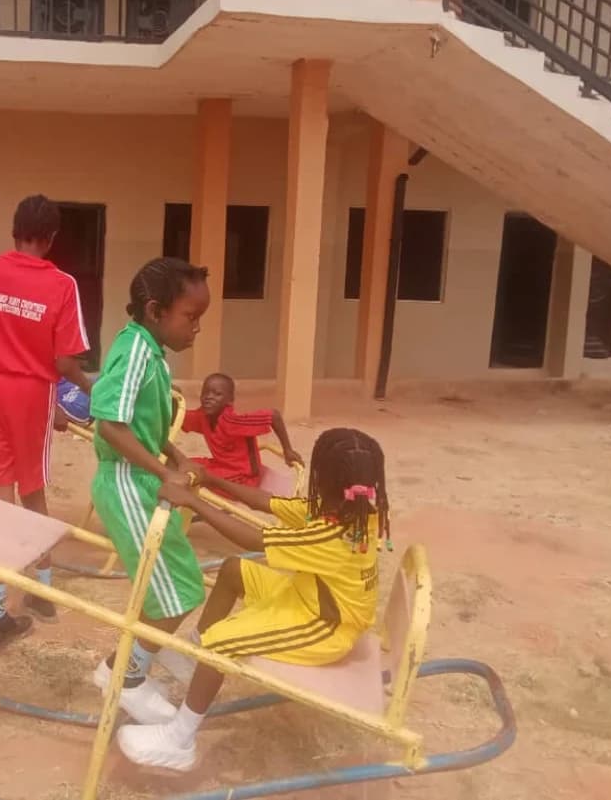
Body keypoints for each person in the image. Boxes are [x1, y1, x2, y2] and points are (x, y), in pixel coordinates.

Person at [117, 427, 392, 771]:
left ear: (327, 480)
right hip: (305, 597)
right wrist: (211, 479)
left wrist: (193, 501)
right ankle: (197, 659)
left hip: (325, 627)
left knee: (222, 642)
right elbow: (270, 503)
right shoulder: (355, 510)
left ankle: (179, 740)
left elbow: (255, 540)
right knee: (233, 571)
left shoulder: (333, 535)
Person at [0, 195, 92, 649]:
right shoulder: (61, 284)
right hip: (32, 393)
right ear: (52, 237)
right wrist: (97, 393)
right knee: (33, 491)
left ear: (15, 228)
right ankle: (42, 592)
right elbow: (66, 359)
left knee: (0, 499)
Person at [88, 257, 212, 724]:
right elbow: (112, 425)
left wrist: (175, 457)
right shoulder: (135, 351)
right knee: (176, 592)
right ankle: (122, 678)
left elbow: (143, 422)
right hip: (125, 482)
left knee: (176, 584)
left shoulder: (148, 351)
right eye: (191, 317)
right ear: (156, 310)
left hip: (140, 478)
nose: (196, 328)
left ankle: (131, 666)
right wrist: (164, 476)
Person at [182, 373, 304, 493]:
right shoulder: (202, 417)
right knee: (181, 463)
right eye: (205, 392)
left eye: (217, 394)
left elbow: (274, 416)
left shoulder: (232, 421)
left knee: (192, 474)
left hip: (243, 479)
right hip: (221, 467)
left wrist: (288, 450)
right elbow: (178, 415)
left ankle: (194, 506)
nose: (209, 397)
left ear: (230, 401)